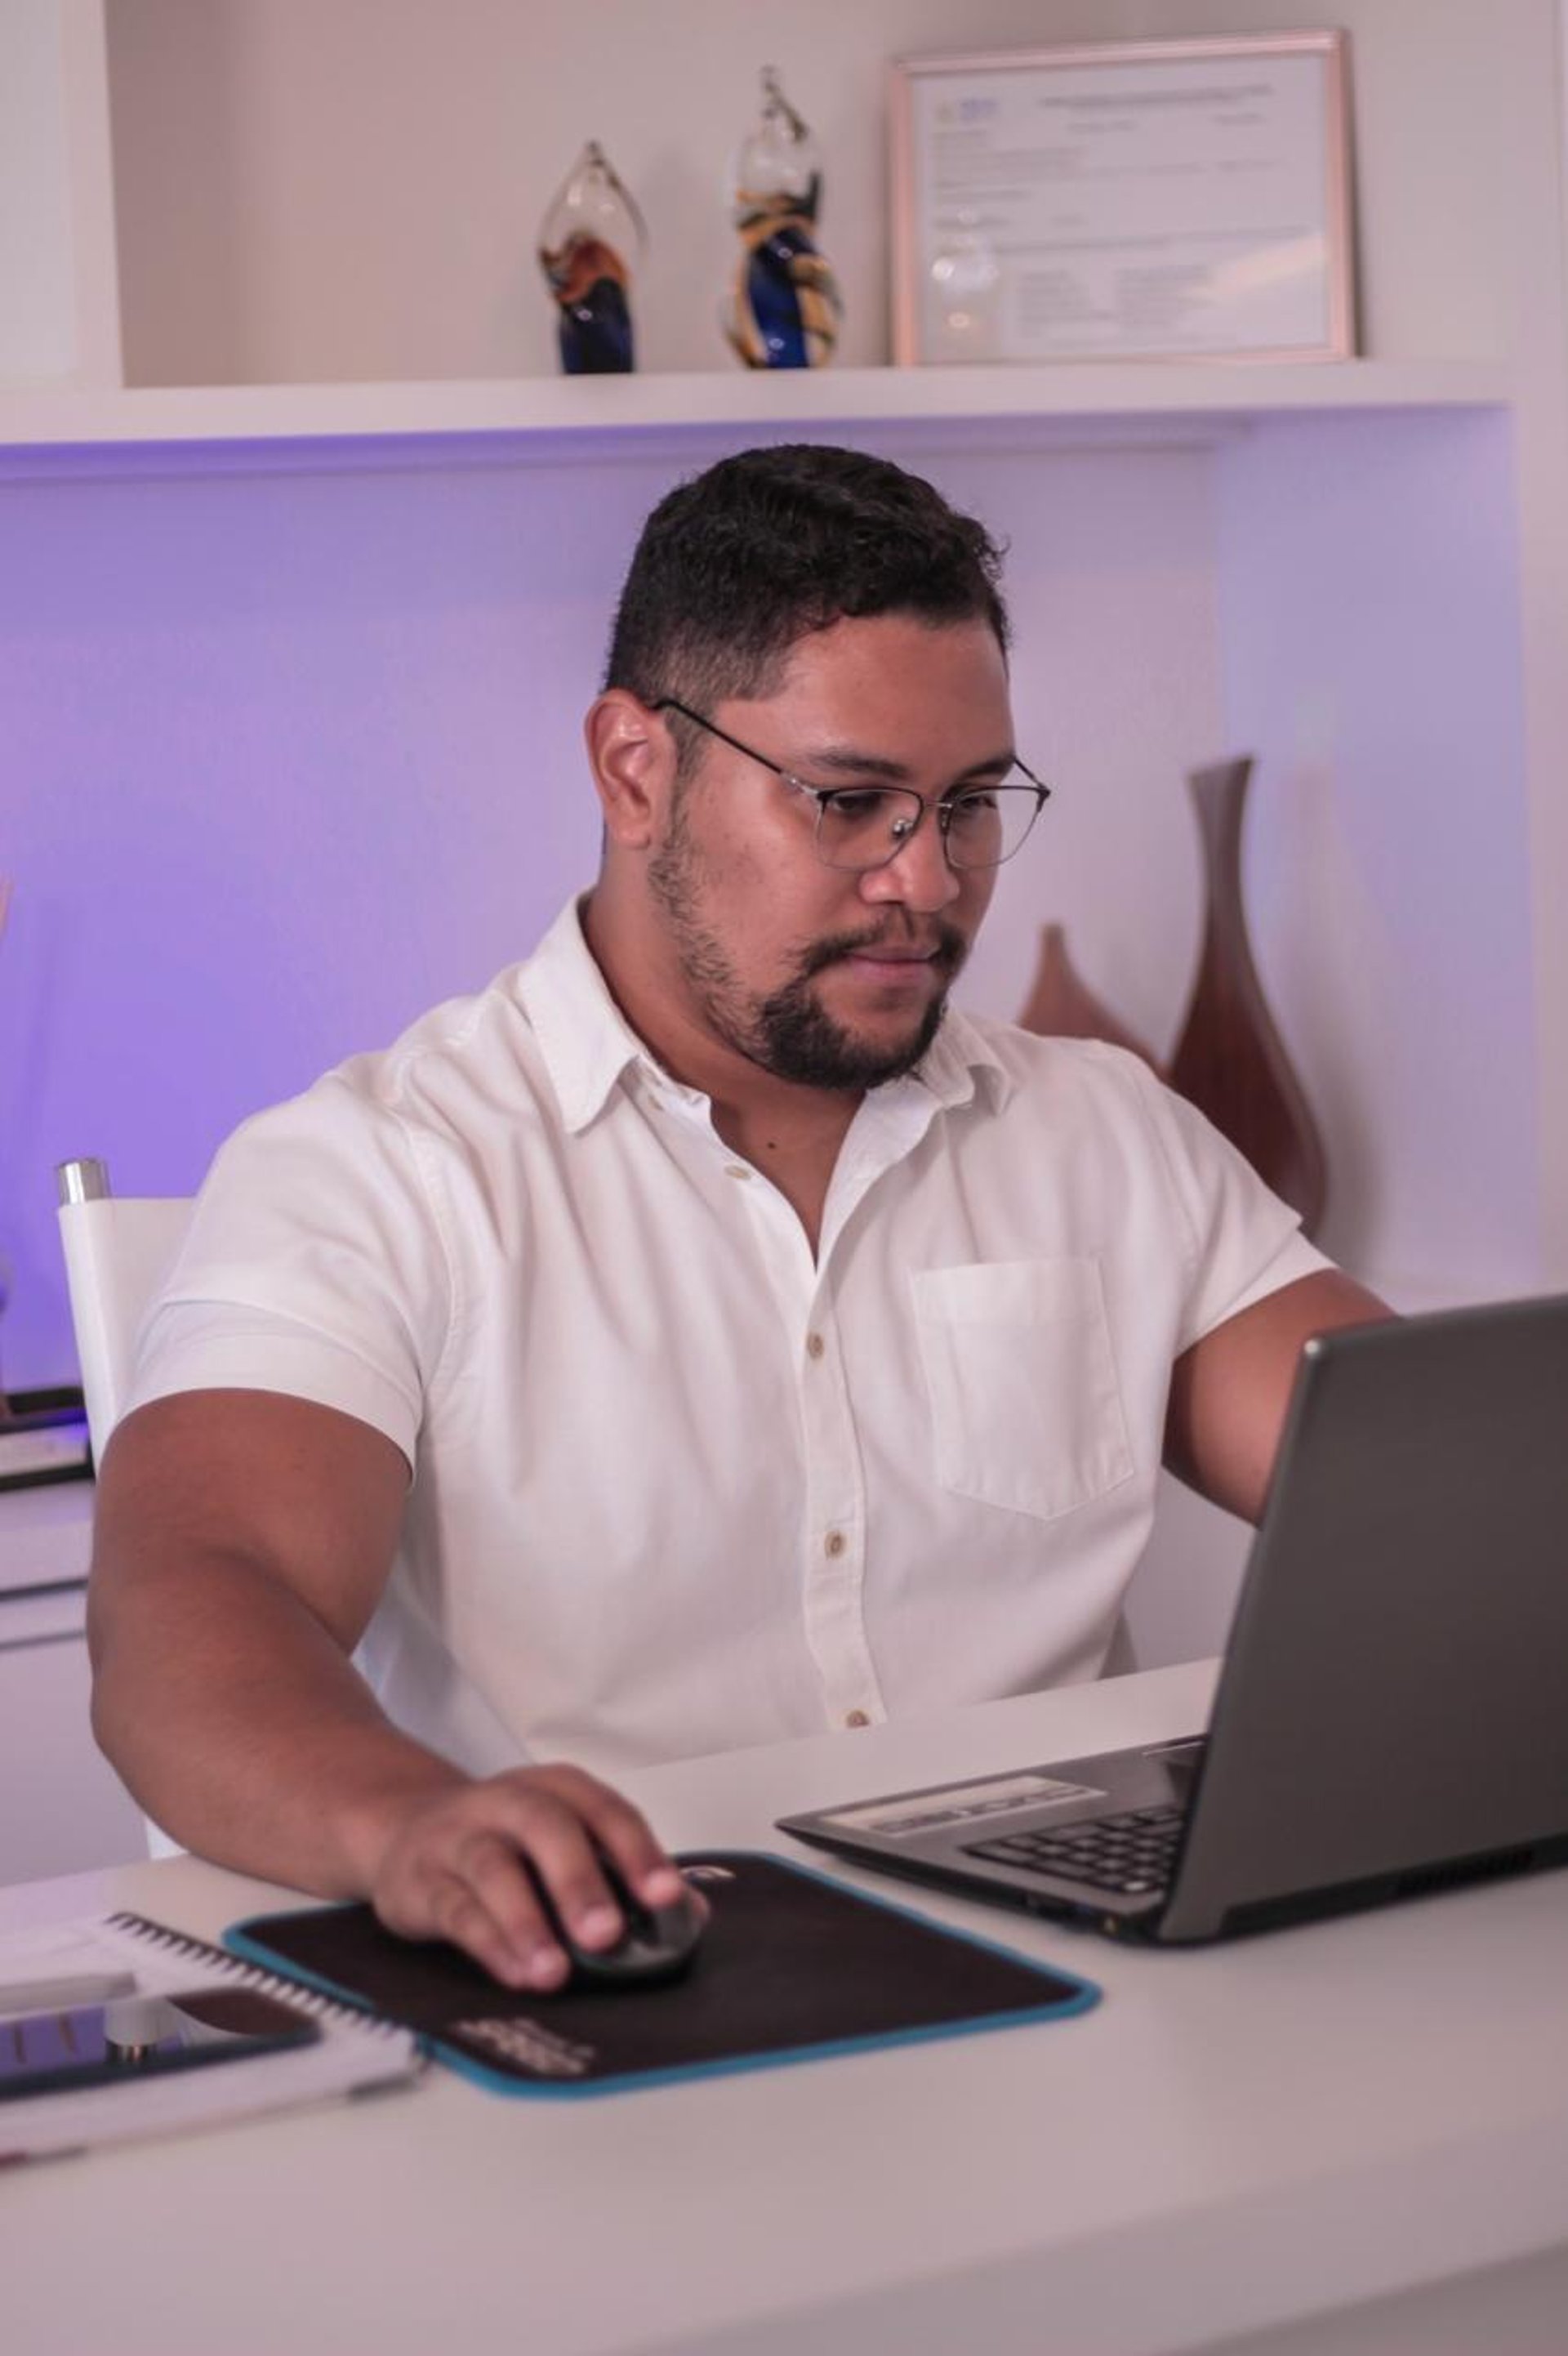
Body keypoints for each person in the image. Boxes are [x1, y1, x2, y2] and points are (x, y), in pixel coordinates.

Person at [88, 444, 1386, 1989]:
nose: (928, 880)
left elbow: (1428, 1487)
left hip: (1093, 1964)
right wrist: (407, 1827)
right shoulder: (381, 1168)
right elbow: (191, 1604)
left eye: (970, 804)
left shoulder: (1101, 1129)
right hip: (610, 1970)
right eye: (850, 802)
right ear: (636, 769)